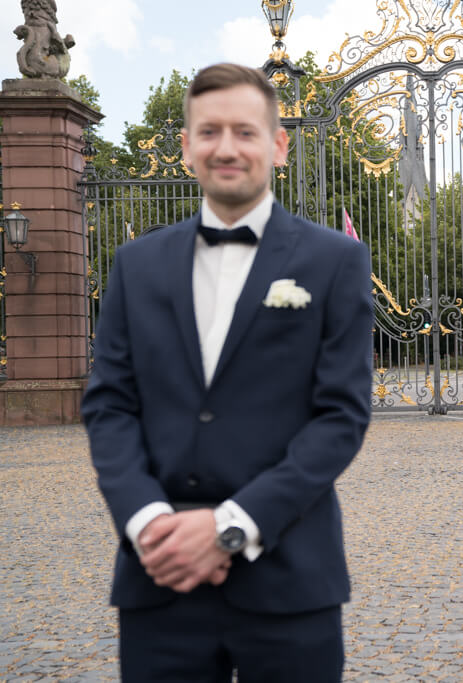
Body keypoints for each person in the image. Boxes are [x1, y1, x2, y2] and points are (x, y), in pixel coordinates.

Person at [81, 63, 373, 682]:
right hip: (157, 582)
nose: (227, 147)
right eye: (209, 131)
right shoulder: (135, 265)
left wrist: (229, 529)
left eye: (245, 131)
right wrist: (148, 523)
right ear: (186, 146)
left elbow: (340, 417)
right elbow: (109, 406)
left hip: (290, 579)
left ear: (278, 144)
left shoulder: (335, 261)